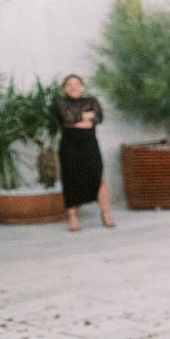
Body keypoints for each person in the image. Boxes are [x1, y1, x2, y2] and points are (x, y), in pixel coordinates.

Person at [52, 74, 114, 232]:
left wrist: (76, 119)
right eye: (69, 84)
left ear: (82, 86)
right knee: (71, 180)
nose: (74, 87)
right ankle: (72, 218)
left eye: (77, 84)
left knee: (98, 177)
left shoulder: (91, 100)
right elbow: (66, 117)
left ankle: (106, 214)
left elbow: (98, 117)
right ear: (64, 88)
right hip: (69, 147)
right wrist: (84, 116)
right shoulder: (60, 101)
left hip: (90, 146)